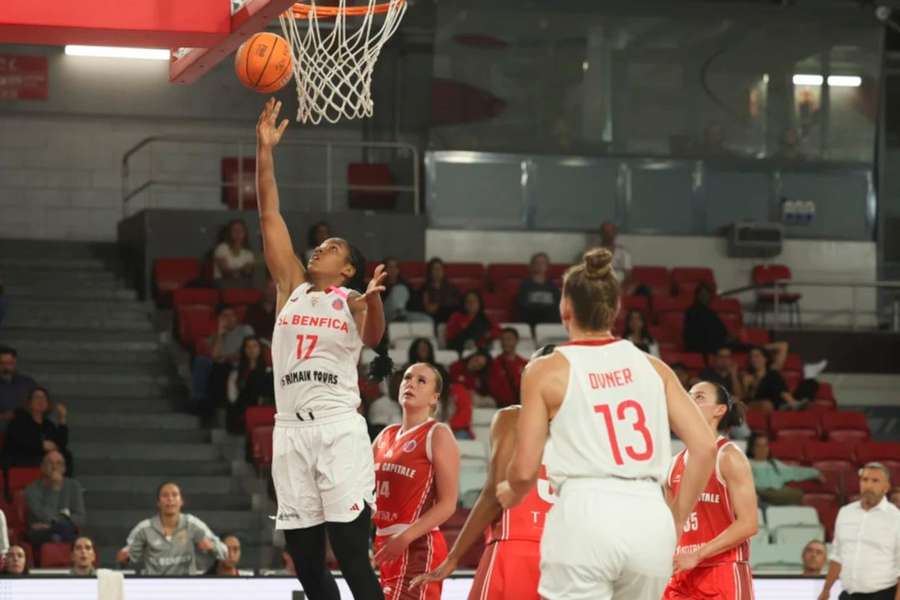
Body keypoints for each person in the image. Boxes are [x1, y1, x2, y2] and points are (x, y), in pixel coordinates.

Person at [496, 248, 718, 600]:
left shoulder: (545, 369)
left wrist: (512, 490)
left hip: (586, 511)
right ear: (615, 309)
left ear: (565, 309)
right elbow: (705, 448)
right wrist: (676, 518)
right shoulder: (655, 366)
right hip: (649, 516)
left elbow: (525, 470)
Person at [256, 98, 387, 600]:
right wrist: (263, 151)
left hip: (337, 430)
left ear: (349, 269)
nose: (320, 248)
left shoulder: (353, 299)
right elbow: (269, 211)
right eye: (321, 244)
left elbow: (373, 340)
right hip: (290, 431)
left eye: (332, 248)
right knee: (307, 565)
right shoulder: (290, 285)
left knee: (353, 556)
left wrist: (373, 304)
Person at [412, 348, 556, 600]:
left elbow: (493, 494)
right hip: (570, 555)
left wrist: (453, 558)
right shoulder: (590, 428)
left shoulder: (513, 417)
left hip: (516, 546)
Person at [370, 362, 460, 600]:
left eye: (421, 381)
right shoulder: (384, 436)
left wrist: (405, 537)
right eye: (407, 378)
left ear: (434, 398)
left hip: (418, 546)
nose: (410, 383)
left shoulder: (437, 433)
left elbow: (448, 504)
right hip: (384, 546)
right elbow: (365, 492)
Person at [662, 381, 758, 599]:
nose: (690, 401)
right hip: (681, 574)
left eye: (699, 397)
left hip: (722, 571)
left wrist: (697, 555)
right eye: (689, 396)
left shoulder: (729, 457)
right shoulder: (673, 464)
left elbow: (749, 523)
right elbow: (671, 526)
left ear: (720, 410)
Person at [818, 463, 900, 600]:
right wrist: (826, 589)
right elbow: (837, 556)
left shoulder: (896, 518)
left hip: (882, 594)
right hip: (848, 594)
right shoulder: (845, 513)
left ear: (886, 487)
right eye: (865, 480)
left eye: (875, 481)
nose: (868, 485)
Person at [117, 482, 227, 575]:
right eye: (165, 495)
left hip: (186, 588)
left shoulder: (192, 524)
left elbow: (224, 552)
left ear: (181, 501)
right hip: (153, 588)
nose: (170, 499)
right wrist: (124, 558)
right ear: (158, 503)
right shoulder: (144, 528)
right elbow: (124, 560)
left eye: (175, 495)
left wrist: (212, 547)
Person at [3, 387, 72, 474]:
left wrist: (62, 419)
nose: (41, 400)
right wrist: (41, 444)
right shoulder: (19, 420)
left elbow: (61, 443)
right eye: (37, 397)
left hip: (41, 457)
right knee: (50, 461)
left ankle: (64, 485)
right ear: (29, 403)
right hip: (21, 458)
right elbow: (20, 441)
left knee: (66, 456)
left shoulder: (48, 424)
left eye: (44, 398)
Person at [24, 450, 85, 545]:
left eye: (59, 463)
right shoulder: (32, 489)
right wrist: (54, 489)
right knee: (59, 534)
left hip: (62, 530)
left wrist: (54, 524)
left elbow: (80, 518)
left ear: (64, 468)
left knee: (63, 533)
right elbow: (43, 516)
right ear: (42, 467)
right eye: (50, 463)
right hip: (41, 535)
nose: (55, 467)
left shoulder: (74, 486)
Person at [746, 432, 822, 505]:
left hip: (778, 494)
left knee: (797, 494)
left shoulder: (774, 464)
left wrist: (814, 472)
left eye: (765, 445)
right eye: (759, 446)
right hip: (760, 495)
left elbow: (794, 472)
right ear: (752, 448)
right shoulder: (746, 464)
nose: (763, 449)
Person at [226, 336, 274, 434]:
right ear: (244, 350)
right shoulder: (236, 372)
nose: (251, 350)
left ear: (260, 349)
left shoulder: (268, 371)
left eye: (254, 346)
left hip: (263, 407)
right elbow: (232, 398)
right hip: (243, 409)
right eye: (248, 347)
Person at [743, 345, 800, 412]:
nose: (753, 359)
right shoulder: (748, 376)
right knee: (773, 375)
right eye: (751, 357)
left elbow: (783, 345)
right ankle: (791, 402)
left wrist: (762, 348)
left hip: (775, 398)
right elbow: (747, 397)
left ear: (765, 359)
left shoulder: (771, 372)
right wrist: (755, 382)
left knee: (810, 383)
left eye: (757, 356)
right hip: (759, 399)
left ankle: (788, 403)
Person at [408, 258, 460, 325]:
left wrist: (438, 305)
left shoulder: (451, 287)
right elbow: (427, 308)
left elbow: (457, 302)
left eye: (439, 269)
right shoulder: (425, 288)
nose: (437, 271)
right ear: (430, 272)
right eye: (435, 269)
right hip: (432, 319)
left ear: (443, 271)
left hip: (449, 317)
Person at [516, 252, 561, 327]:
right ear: (532, 265)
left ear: (547, 266)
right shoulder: (525, 285)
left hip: (551, 320)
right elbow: (523, 305)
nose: (540, 265)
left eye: (543, 263)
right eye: (537, 263)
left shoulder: (552, 286)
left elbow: (557, 304)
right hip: (532, 319)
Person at [683, 284, 729, 355]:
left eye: (707, 294)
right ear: (697, 296)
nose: (705, 297)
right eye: (702, 294)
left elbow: (721, 329)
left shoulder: (710, 312)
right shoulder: (692, 312)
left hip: (712, 343)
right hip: (701, 346)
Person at [487, 328, 528, 407]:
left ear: (516, 341)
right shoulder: (493, 364)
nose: (505, 342)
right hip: (499, 407)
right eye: (503, 339)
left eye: (509, 339)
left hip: (521, 407)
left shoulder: (525, 364)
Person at [212, 219, 257, 288]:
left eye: (241, 230)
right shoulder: (222, 248)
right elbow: (225, 271)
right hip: (223, 282)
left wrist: (239, 271)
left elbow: (248, 272)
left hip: (243, 282)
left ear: (245, 233)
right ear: (229, 233)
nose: (238, 233)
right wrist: (242, 269)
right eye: (234, 230)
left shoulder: (248, 253)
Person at [0, 346, 36, 424]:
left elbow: (41, 407)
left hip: (25, 429)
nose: (6, 367)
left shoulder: (28, 383)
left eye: (9, 363)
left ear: (15, 361)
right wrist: (2, 416)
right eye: (1, 363)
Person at [245, 279, 278, 344]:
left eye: (275, 289)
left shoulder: (282, 309)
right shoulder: (253, 308)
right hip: (256, 343)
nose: (272, 292)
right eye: (269, 289)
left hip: (276, 342)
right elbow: (248, 329)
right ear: (264, 289)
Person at [382, 258, 413, 323]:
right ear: (385, 270)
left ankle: (400, 316)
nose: (393, 270)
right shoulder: (379, 284)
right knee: (399, 289)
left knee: (427, 319)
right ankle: (399, 314)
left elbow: (412, 303)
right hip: (385, 315)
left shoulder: (405, 284)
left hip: (404, 313)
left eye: (395, 267)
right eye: (390, 267)